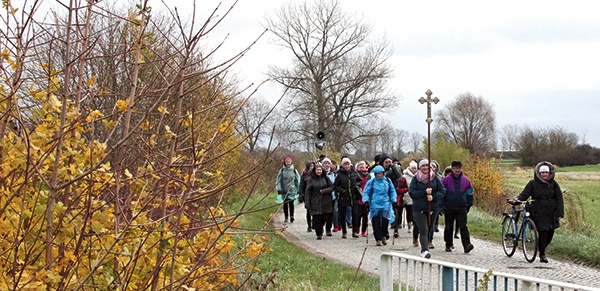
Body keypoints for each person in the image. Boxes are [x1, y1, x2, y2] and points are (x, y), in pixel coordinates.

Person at [511, 161, 564, 263]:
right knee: (543, 233)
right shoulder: (532, 184)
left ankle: (540, 247)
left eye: (546, 172)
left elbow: (559, 199)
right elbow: (524, 195)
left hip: (551, 213)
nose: (544, 174)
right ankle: (542, 254)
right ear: (538, 173)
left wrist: (560, 213)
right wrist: (516, 200)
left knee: (550, 234)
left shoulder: (554, 185)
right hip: (538, 212)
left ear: (550, 173)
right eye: (542, 173)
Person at [409, 159, 444, 259]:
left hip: (433, 208)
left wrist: (433, 197)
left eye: (426, 166)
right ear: (420, 167)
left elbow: (442, 191)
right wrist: (424, 192)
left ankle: (428, 242)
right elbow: (412, 193)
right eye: (423, 166)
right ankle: (424, 250)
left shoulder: (435, 178)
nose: (425, 168)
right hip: (419, 209)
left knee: (429, 228)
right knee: (423, 229)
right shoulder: (416, 179)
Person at [441, 161, 475, 254]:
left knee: (463, 226)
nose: (457, 170)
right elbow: (441, 193)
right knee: (449, 226)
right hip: (449, 207)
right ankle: (448, 244)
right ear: (452, 169)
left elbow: (470, 194)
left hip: (462, 207)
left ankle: (467, 245)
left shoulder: (466, 180)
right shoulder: (445, 180)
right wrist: (442, 205)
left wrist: (469, 205)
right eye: (455, 168)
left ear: (461, 168)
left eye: (459, 168)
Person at [362, 165, 396, 246]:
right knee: (376, 222)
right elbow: (366, 192)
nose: (379, 175)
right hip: (375, 204)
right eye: (378, 174)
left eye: (381, 173)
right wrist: (366, 201)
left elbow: (392, 191)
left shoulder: (388, 181)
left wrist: (394, 200)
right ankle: (378, 239)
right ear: (375, 174)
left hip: (385, 203)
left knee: (385, 221)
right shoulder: (371, 182)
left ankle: (384, 235)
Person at [305, 163, 335, 240]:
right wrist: (307, 202)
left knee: (324, 218)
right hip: (315, 200)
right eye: (317, 170)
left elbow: (331, 187)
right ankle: (319, 233)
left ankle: (321, 228)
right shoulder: (311, 179)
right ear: (314, 170)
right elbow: (308, 191)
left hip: (326, 201)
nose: (319, 171)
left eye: (320, 170)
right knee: (316, 218)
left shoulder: (326, 178)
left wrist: (324, 191)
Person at [334, 157, 362, 239]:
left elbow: (360, 181)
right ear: (342, 165)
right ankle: (344, 231)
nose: (346, 166)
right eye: (345, 164)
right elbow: (336, 185)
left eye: (348, 164)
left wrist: (357, 185)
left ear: (350, 164)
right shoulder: (339, 175)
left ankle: (354, 232)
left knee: (355, 214)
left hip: (353, 196)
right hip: (343, 197)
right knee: (342, 215)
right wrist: (342, 191)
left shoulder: (354, 173)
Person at [275, 156, 301, 223]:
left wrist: (298, 189)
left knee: (291, 203)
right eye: (287, 162)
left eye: (289, 162)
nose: (288, 163)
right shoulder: (282, 171)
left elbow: (297, 180)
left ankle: (292, 216)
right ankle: (286, 217)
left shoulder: (294, 170)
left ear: (291, 162)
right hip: (284, 190)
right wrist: (279, 189)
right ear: (285, 162)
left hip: (292, 190)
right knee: (285, 204)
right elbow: (278, 180)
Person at [298, 161, 315, 232]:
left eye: (313, 166)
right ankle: (309, 226)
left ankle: (314, 222)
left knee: (315, 210)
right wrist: (301, 195)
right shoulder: (304, 175)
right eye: (311, 166)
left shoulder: (316, 174)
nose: (312, 167)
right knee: (309, 210)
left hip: (315, 195)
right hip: (307, 195)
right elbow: (301, 186)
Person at [355, 161, 370, 237]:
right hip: (358, 197)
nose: (362, 168)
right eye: (360, 166)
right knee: (358, 215)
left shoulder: (368, 176)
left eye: (363, 167)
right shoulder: (356, 175)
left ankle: (364, 230)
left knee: (365, 216)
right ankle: (357, 228)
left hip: (366, 197)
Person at [403, 160, 417, 242]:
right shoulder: (405, 176)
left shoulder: (419, 175)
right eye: (413, 168)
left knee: (415, 212)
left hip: (416, 196)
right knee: (409, 211)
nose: (414, 170)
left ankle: (415, 224)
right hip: (407, 195)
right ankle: (409, 224)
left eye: (415, 168)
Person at [322, 158, 337, 236]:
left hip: (332, 196)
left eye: (328, 163)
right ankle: (320, 227)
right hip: (322, 196)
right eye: (325, 163)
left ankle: (328, 229)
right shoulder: (320, 173)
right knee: (323, 213)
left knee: (330, 213)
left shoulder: (334, 173)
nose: (327, 165)